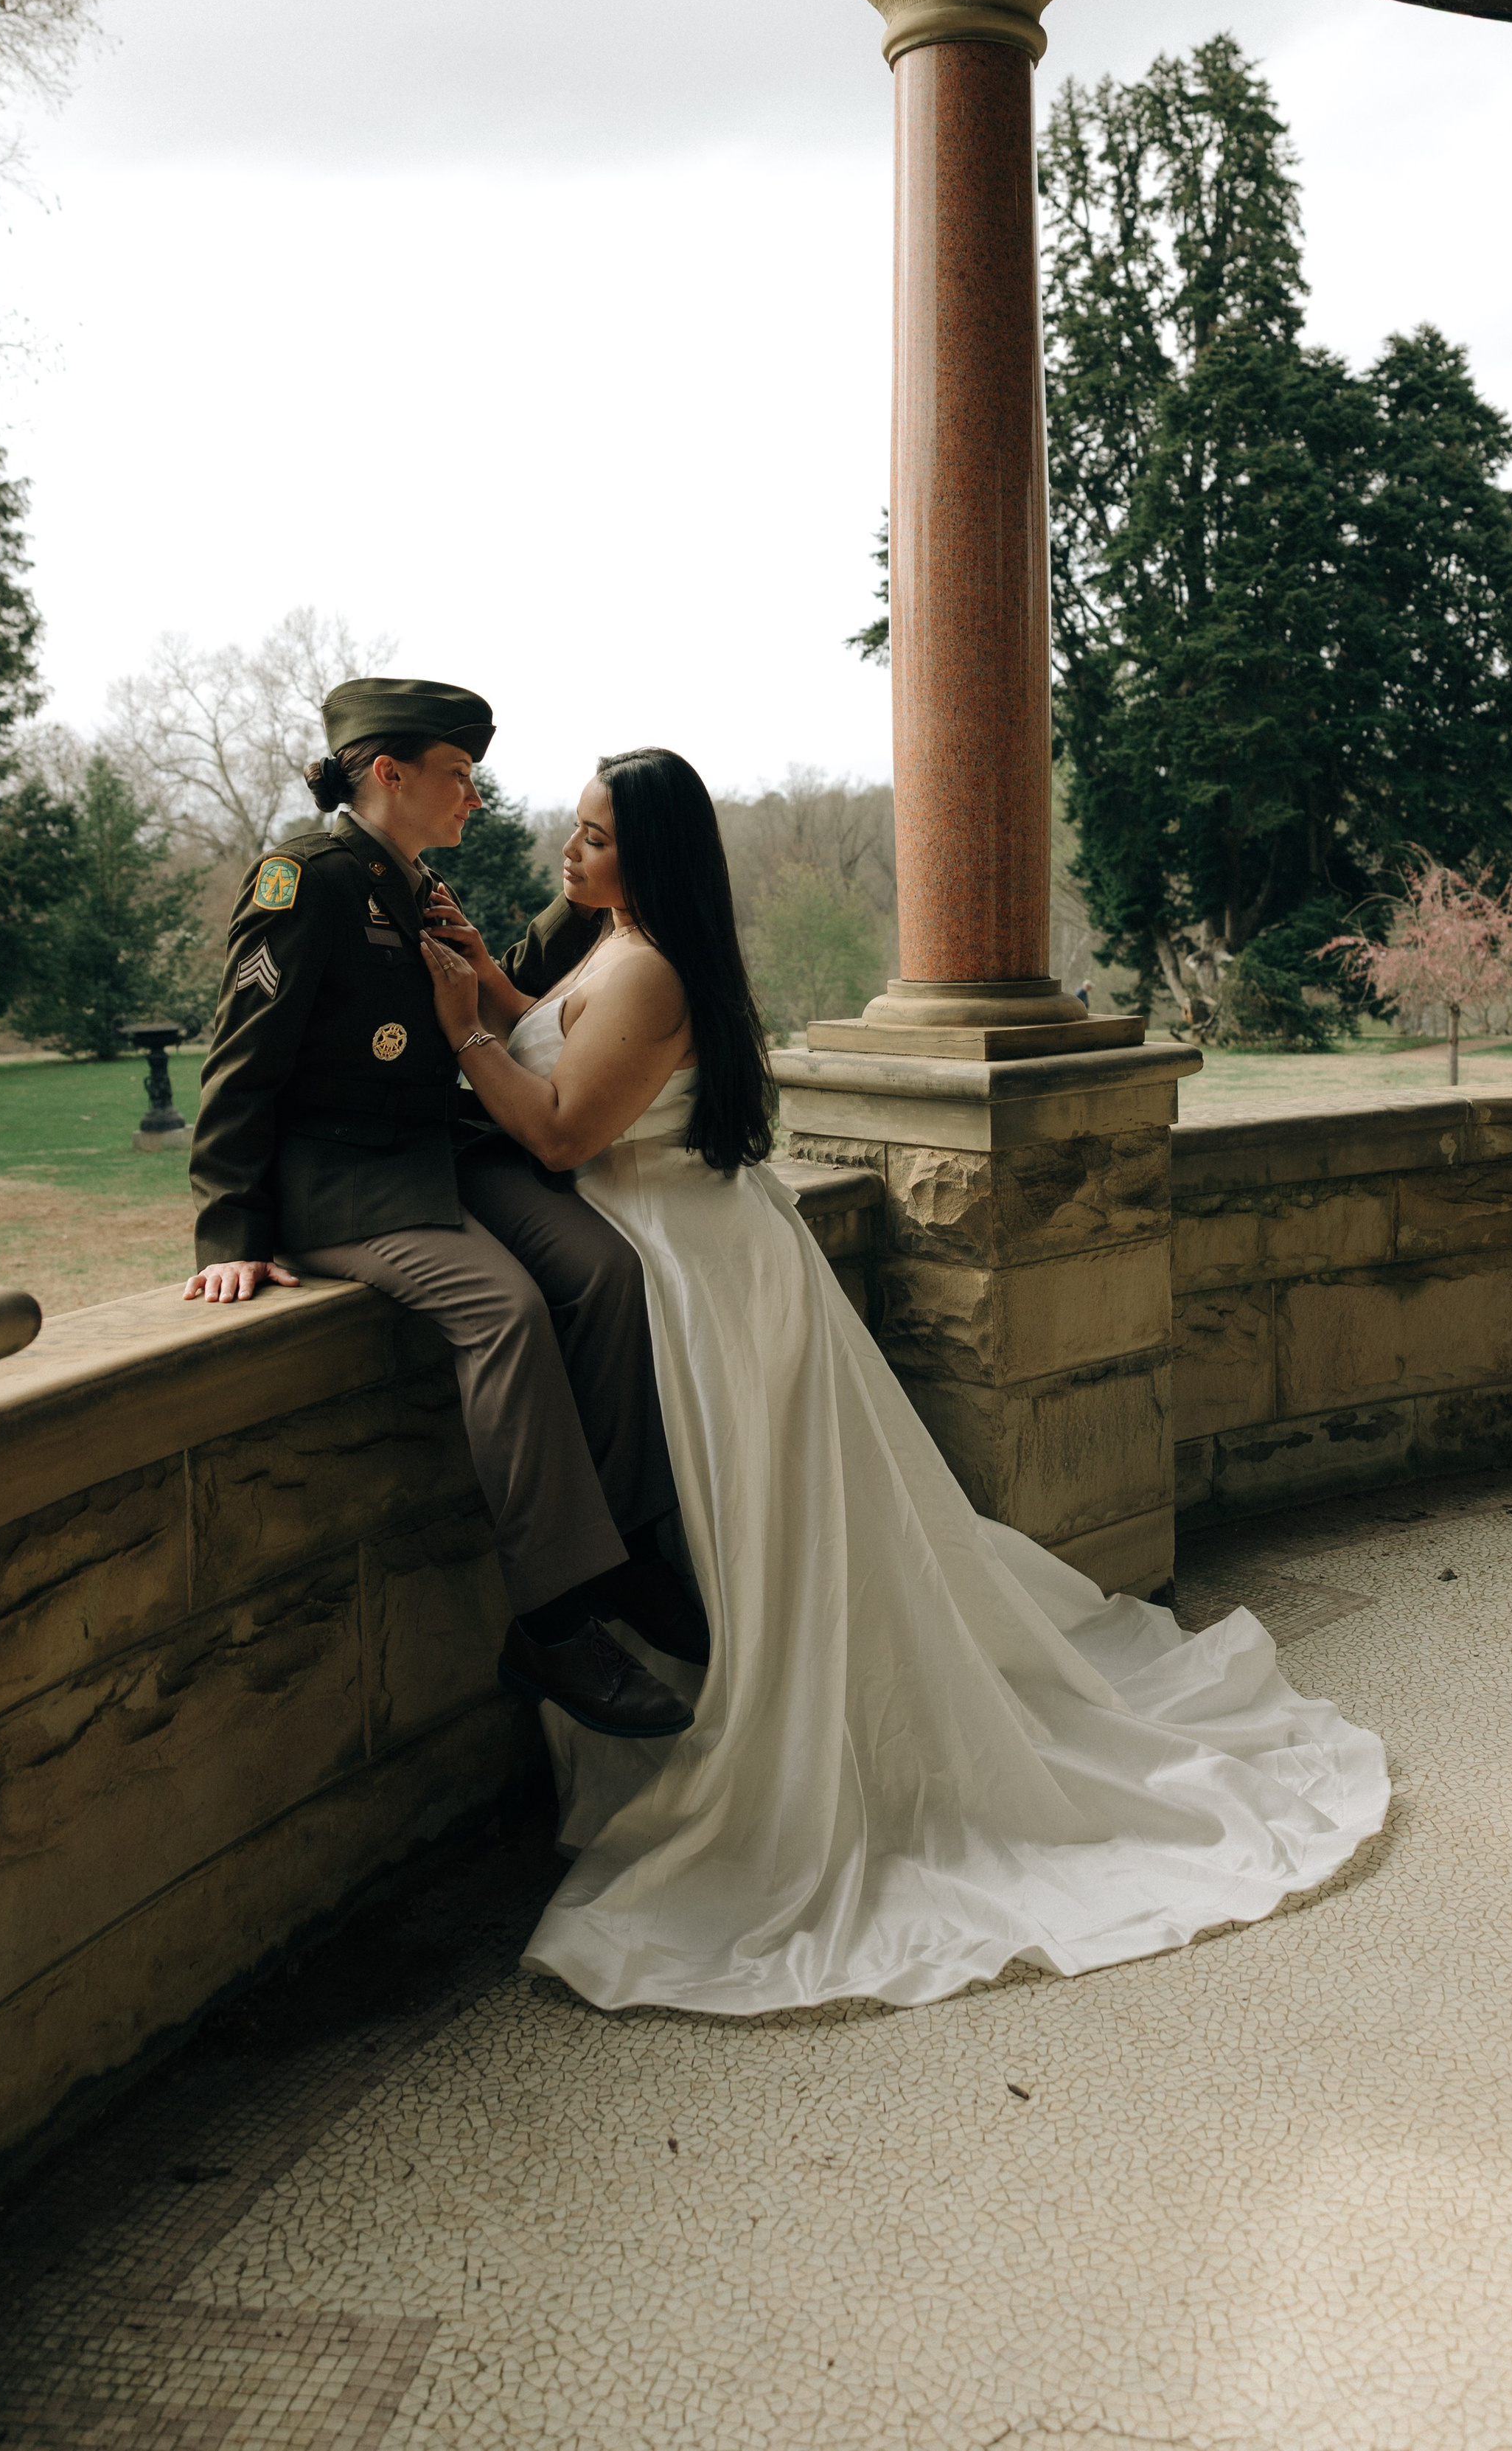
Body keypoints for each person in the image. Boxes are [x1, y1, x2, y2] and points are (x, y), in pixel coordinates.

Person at [419, 744, 1390, 2015]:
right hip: (689, 1246)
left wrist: (461, 1028)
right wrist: (493, 982)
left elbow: (558, 1129)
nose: (571, 847)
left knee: (761, 1536)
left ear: (647, 856)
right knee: (755, 1533)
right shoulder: (625, 943)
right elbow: (564, 1033)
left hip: (701, 1273)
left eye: (596, 836)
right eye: (579, 826)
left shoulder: (649, 967)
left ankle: (785, 1751)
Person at [184, 675, 702, 1741]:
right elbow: (241, 1061)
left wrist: (598, 889)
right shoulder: (307, 879)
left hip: (438, 1149)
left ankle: (623, 1549)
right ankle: (554, 1619)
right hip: (342, 1180)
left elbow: (488, 989)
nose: (475, 795)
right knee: (505, 1311)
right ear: (390, 772)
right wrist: (230, 1229)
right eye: (459, 774)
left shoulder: (409, 880)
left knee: (607, 1272)